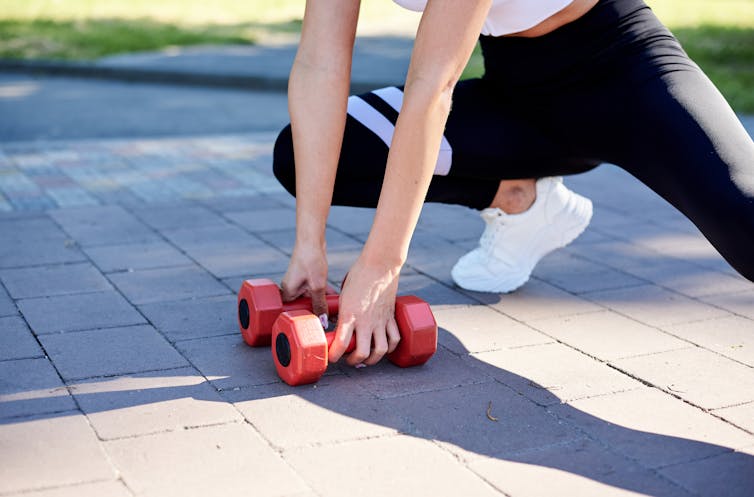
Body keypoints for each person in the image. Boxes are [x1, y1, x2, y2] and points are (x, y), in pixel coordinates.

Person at [271, 0, 754, 368]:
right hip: (513, 93)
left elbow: (432, 84)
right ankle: (519, 197)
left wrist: (380, 267)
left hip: (622, 72)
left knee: (743, 216)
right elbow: (319, 64)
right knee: (302, 154)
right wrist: (309, 243)